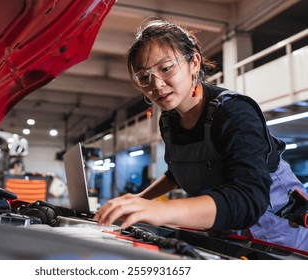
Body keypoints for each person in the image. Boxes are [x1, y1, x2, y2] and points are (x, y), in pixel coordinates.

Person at [94, 18, 308, 250]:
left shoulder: (234, 113)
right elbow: (177, 173)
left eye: (165, 68)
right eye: (144, 78)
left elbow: (249, 199)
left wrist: (160, 210)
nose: (156, 85)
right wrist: (139, 201)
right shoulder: (169, 119)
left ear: (194, 62)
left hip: (282, 241)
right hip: (230, 237)